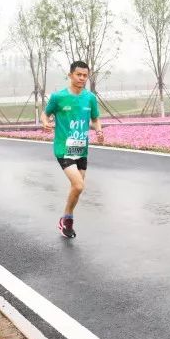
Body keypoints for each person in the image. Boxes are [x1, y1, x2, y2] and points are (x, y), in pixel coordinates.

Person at [41, 61, 104, 239]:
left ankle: (66, 217)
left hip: (81, 149)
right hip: (63, 148)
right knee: (78, 185)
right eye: (78, 75)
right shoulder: (58, 97)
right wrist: (45, 122)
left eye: (85, 75)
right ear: (70, 75)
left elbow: (95, 118)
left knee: (77, 189)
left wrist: (99, 130)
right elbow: (45, 113)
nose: (82, 78)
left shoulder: (90, 98)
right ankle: (67, 220)